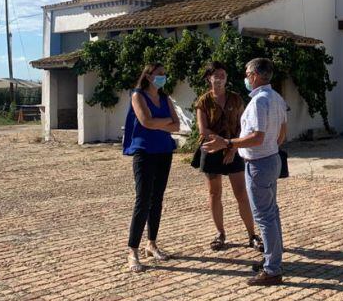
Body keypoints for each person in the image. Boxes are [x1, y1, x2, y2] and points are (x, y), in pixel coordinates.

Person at [204, 58, 287, 286]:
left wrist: (229, 143)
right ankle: (273, 258)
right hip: (270, 159)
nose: (246, 78)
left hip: (259, 163)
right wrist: (272, 147)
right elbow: (282, 131)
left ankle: (272, 268)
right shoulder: (276, 97)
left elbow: (257, 136)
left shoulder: (260, 101)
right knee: (272, 212)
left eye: (247, 73)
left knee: (265, 216)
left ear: (255, 76)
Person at [195, 61, 263, 252]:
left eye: (223, 74)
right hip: (211, 150)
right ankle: (220, 234)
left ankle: (252, 235)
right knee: (214, 194)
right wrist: (220, 144)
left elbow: (244, 126)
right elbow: (203, 129)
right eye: (216, 74)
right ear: (209, 78)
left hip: (234, 149)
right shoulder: (203, 101)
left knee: (241, 193)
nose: (221, 77)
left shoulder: (235, 99)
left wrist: (232, 148)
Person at [123, 62, 179, 273]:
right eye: (158, 74)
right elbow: (146, 121)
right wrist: (164, 121)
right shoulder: (137, 95)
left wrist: (160, 122)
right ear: (147, 76)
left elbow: (177, 125)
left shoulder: (165, 98)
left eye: (164, 74)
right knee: (143, 199)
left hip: (164, 151)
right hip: (144, 152)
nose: (162, 77)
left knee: (157, 199)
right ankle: (132, 250)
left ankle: (152, 243)